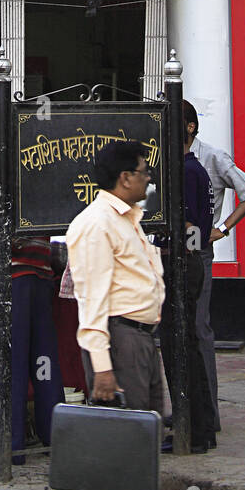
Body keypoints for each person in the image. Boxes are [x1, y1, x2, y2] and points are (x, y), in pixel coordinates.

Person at [0, 123, 65, 463]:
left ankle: (9, 442)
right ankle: (53, 435)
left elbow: (11, 235)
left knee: (8, 362)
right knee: (43, 361)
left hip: (15, 279)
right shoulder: (40, 178)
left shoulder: (11, 182)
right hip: (41, 279)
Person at [66, 139, 165, 412]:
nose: (147, 179)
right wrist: (103, 368)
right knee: (126, 437)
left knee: (146, 429)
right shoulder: (97, 223)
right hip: (120, 340)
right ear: (125, 177)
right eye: (143, 172)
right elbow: (91, 299)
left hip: (140, 338)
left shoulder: (126, 218)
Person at [184, 100, 245, 432]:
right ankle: (189, 407)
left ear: (189, 125)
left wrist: (223, 228)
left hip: (200, 250)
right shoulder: (169, 157)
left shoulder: (213, 157)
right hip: (176, 250)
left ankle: (209, 413)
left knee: (200, 329)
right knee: (181, 330)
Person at [159, 105, 218, 452]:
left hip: (182, 265)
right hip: (187, 263)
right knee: (188, 346)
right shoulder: (190, 168)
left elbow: (194, 228)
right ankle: (201, 427)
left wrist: (184, 250)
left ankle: (192, 429)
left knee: (179, 347)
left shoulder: (186, 171)